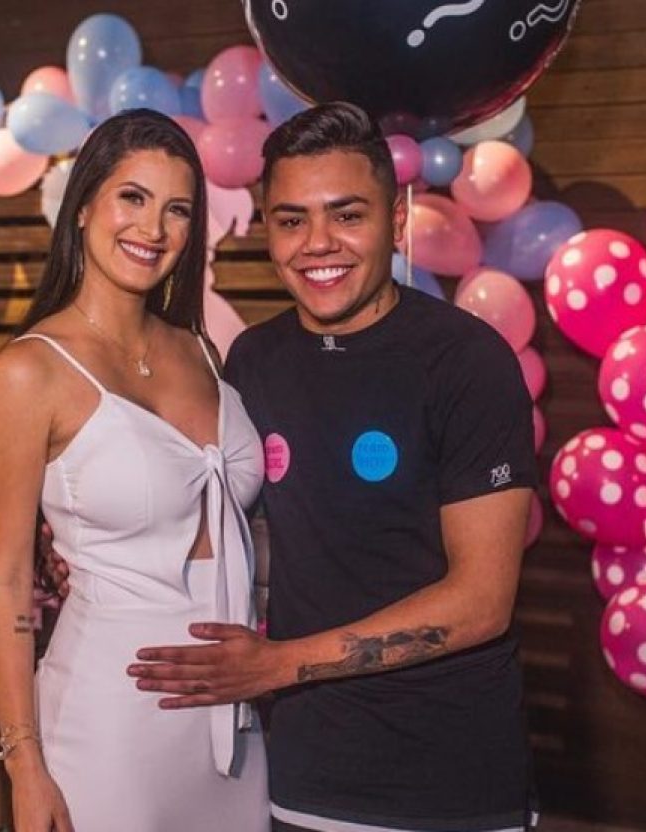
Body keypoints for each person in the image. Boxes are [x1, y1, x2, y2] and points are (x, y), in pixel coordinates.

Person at [125, 102, 539, 832]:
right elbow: (238, 534)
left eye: (347, 215)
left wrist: (276, 664)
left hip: (451, 784)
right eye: (292, 220)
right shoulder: (255, 359)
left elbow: (481, 601)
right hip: (302, 775)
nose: (318, 243)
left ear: (397, 219)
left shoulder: (466, 361)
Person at [0, 109, 269, 832]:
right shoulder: (28, 373)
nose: (153, 229)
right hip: (109, 721)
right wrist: (24, 763)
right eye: (132, 197)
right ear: (82, 208)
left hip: (233, 715)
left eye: (177, 209)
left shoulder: (200, 351)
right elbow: (5, 579)